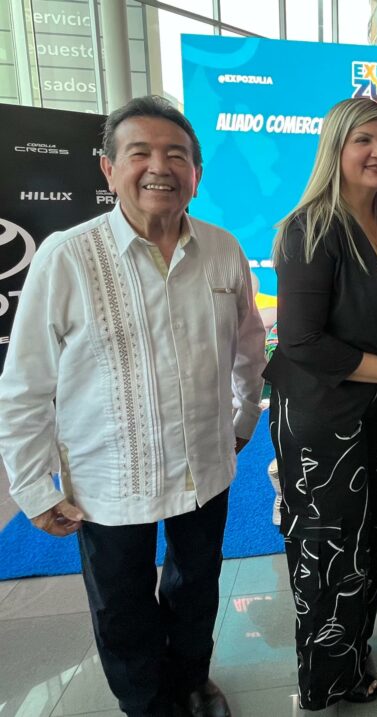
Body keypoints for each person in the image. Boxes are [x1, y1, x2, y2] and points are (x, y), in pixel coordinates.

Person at [0, 95, 266, 717]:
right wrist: (33, 486)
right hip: (111, 474)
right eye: (140, 153)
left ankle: (193, 680)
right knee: (121, 602)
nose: (159, 167)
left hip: (206, 463)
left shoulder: (222, 250)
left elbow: (249, 346)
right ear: (108, 168)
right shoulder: (68, 256)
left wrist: (244, 416)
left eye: (176, 155)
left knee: (196, 584)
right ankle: (148, 704)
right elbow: (26, 383)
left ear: (196, 172)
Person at [263, 97, 377, 711]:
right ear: (335, 148)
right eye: (363, 141)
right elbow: (301, 340)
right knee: (327, 548)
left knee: (366, 542)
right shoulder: (312, 227)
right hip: (319, 415)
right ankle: (327, 679)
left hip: (369, 411)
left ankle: (351, 652)